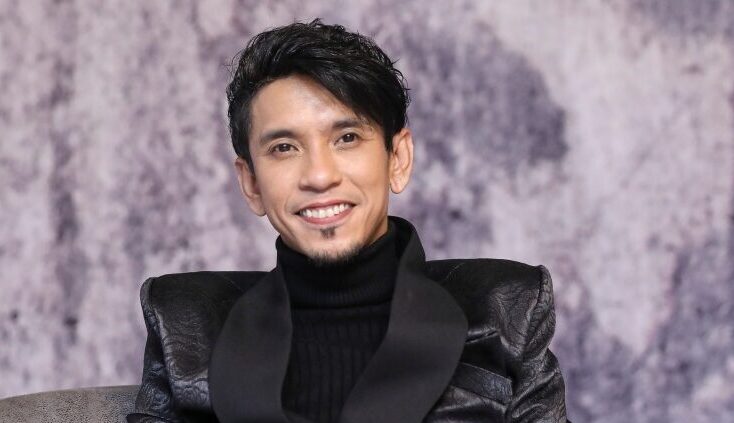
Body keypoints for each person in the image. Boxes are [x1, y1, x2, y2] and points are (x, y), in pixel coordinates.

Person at [127, 19, 570, 423]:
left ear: (398, 159)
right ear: (252, 183)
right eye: (284, 148)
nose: (320, 176)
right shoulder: (184, 322)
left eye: (347, 138)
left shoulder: (507, 310)